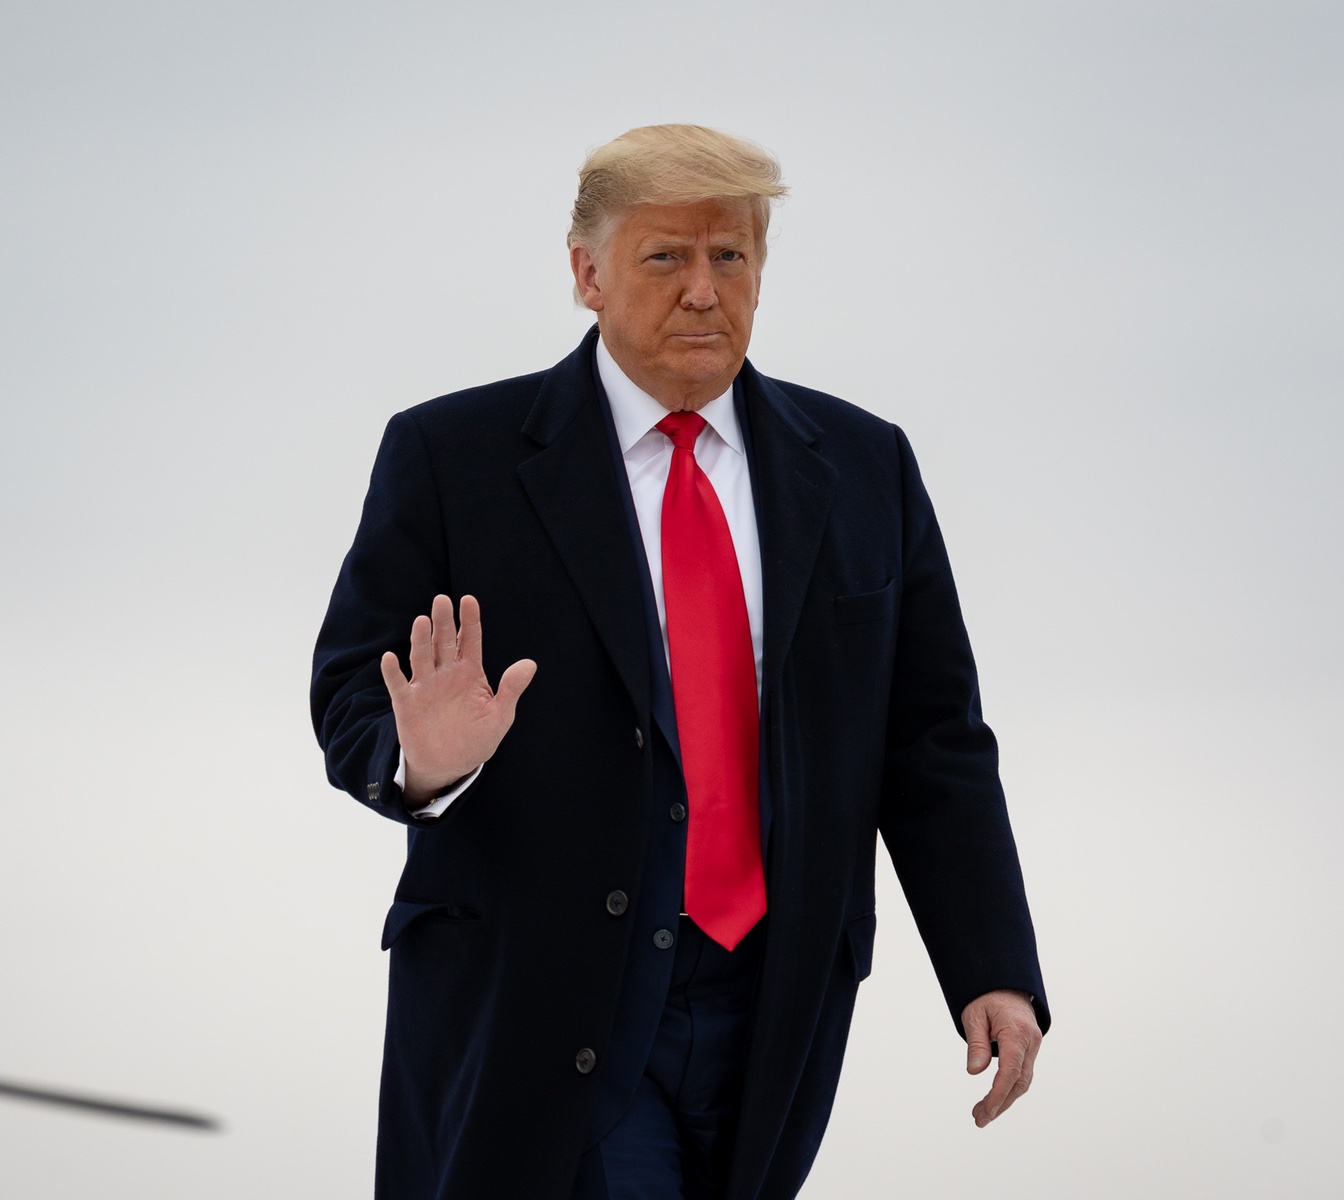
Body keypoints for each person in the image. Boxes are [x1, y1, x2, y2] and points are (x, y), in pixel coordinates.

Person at [311, 124, 1049, 1200]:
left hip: (774, 999)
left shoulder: (863, 466)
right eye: (666, 258)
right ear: (587, 274)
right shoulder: (451, 456)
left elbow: (932, 740)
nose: (704, 291)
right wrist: (426, 760)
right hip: (543, 993)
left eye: (731, 257)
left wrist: (992, 967)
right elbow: (350, 695)